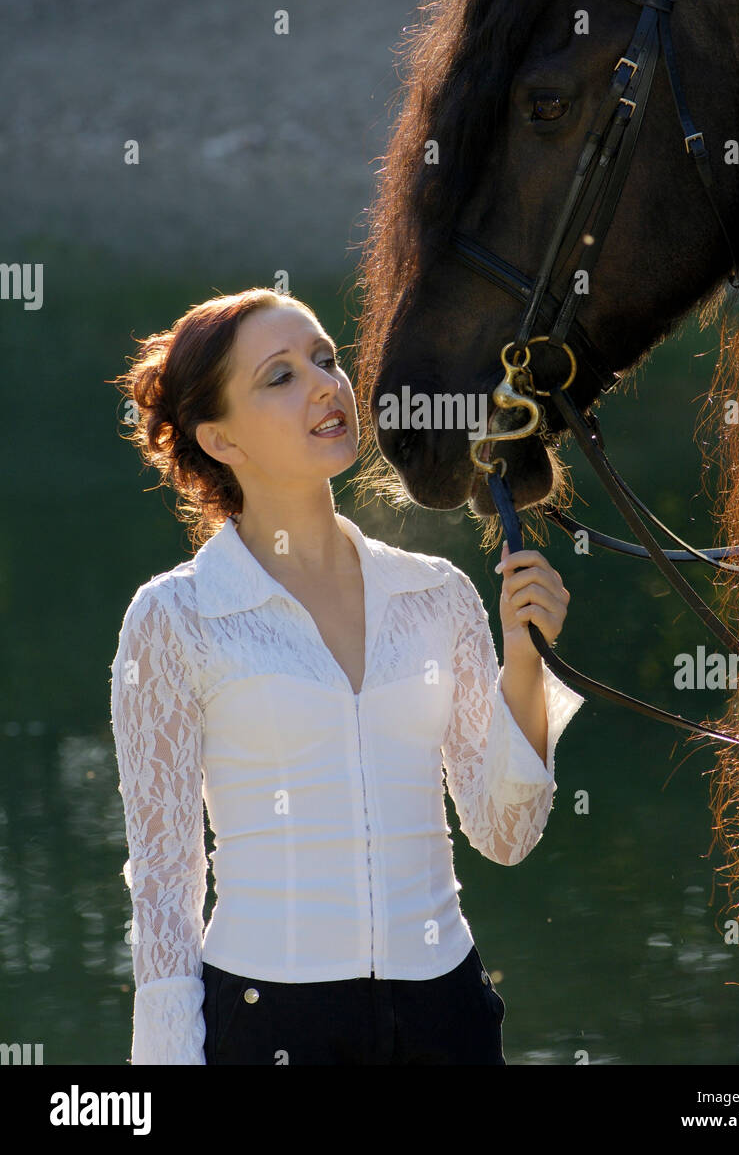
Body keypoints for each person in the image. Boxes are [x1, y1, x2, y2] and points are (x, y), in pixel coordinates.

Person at [108, 285, 585, 1065]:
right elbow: (164, 880)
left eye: (325, 359)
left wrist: (525, 657)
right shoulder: (174, 618)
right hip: (267, 1024)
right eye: (281, 376)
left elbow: (505, 832)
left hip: (447, 1015)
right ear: (221, 439)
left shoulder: (437, 595)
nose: (325, 385)